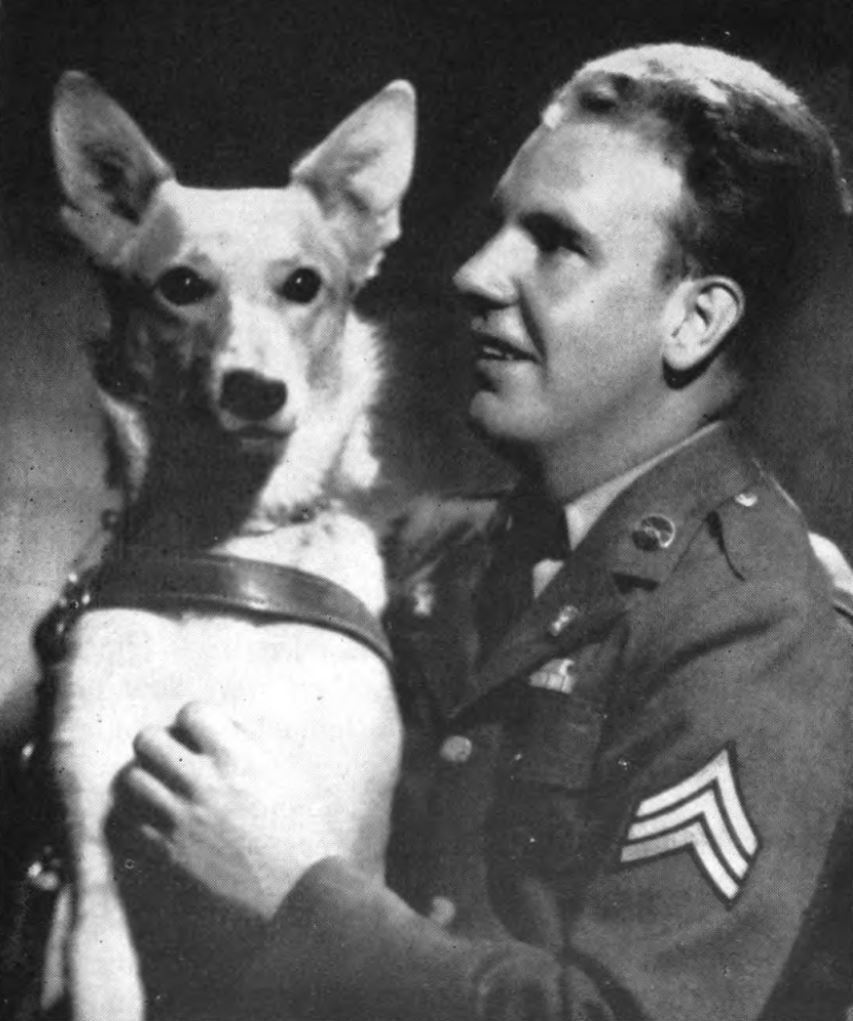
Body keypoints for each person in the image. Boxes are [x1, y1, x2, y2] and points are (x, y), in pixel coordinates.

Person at [116, 43, 853, 1021]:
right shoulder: (433, 556)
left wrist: (299, 895)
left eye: (554, 243)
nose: (471, 273)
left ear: (694, 321)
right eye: (496, 226)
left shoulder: (761, 626)